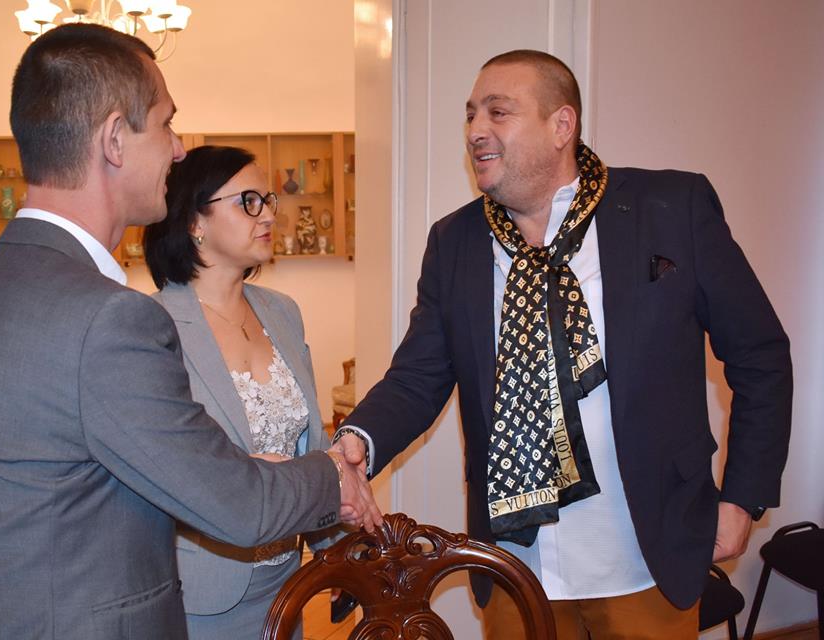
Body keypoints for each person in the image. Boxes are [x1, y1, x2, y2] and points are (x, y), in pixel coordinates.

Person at [0, 24, 379, 640]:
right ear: (115, 140)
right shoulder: (112, 319)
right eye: (166, 124)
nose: (178, 149)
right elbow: (235, 503)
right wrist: (331, 473)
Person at [332, 49, 791, 638]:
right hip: (515, 567)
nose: (475, 131)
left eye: (498, 112)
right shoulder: (454, 241)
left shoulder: (671, 209)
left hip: (648, 557)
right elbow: (417, 377)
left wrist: (743, 497)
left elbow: (760, 356)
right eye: (470, 115)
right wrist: (358, 441)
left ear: (561, 125)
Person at [143, 145, 340, 640]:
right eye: (248, 202)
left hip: (288, 582)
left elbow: (310, 446)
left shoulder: (282, 311)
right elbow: (156, 470)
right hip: (199, 593)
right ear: (195, 221)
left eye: (268, 200)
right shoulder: (152, 324)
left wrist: (335, 548)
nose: (269, 214)